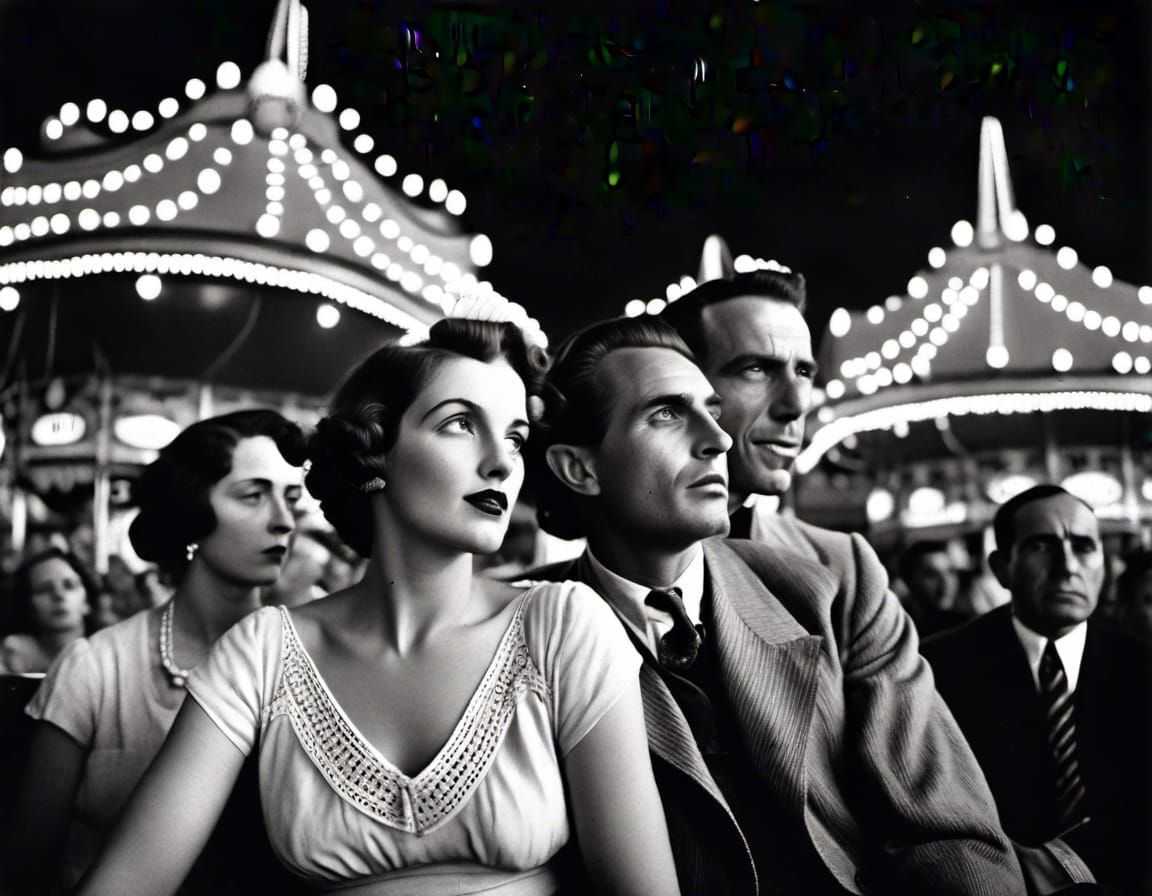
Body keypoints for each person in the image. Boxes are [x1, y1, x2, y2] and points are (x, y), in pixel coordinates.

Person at [77, 319, 677, 896]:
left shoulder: (563, 627)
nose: (501, 461)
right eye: (461, 424)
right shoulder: (262, 652)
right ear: (375, 452)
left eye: (516, 436)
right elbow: (129, 879)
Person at [525, 315, 1023, 895]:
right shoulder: (528, 626)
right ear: (579, 468)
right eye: (665, 414)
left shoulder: (826, 593)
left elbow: (948, 831)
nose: (716, 438)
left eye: (711, 409)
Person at [3, 409, 307, 893]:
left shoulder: (310, 658)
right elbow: (27, 862)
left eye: (291, 498)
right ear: (191, 514)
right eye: (254, 496)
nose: (283, 521)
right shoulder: (97, 669)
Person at [922, 486, 1152, 895]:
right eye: (1042, 547)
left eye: (1083, 547)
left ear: (1105, 564)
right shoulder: (937, 668)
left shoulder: (1142, 663)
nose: (1067, 566)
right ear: (1002, 568)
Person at [0, 548, 96, 673]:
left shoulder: (107, 655)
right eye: (44, 589)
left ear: (87, 601)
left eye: (69, 585)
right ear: (28, 605)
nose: (59, 595)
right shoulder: (11, 656)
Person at [897, 540, 969, 637]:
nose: (946, 582)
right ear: (908, 580)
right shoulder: (899, 632)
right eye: (931, 575)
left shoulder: (964, 624)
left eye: (950, 572)